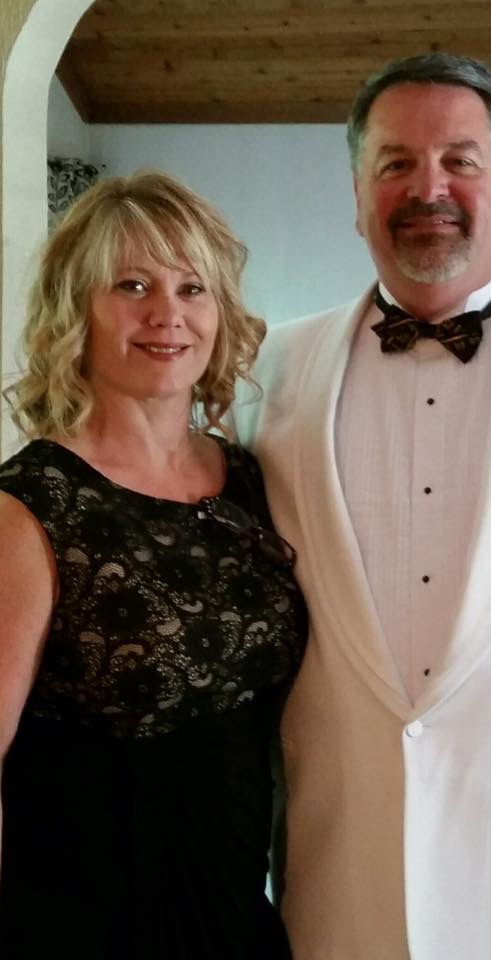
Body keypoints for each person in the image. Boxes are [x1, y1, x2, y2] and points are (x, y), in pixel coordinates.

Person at [233, 53, 491, 960]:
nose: (427, 188)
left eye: (458, 161)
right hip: (333, 863)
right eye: (394, 163)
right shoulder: (260, 372)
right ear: (356, 194)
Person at [0, 170, 306, 959]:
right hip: (84, 927)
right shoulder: (29, 505)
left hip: (236, 914)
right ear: (77, 309)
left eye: (191, 288)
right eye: (131, 285)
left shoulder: (246, 477)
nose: (167, 313)